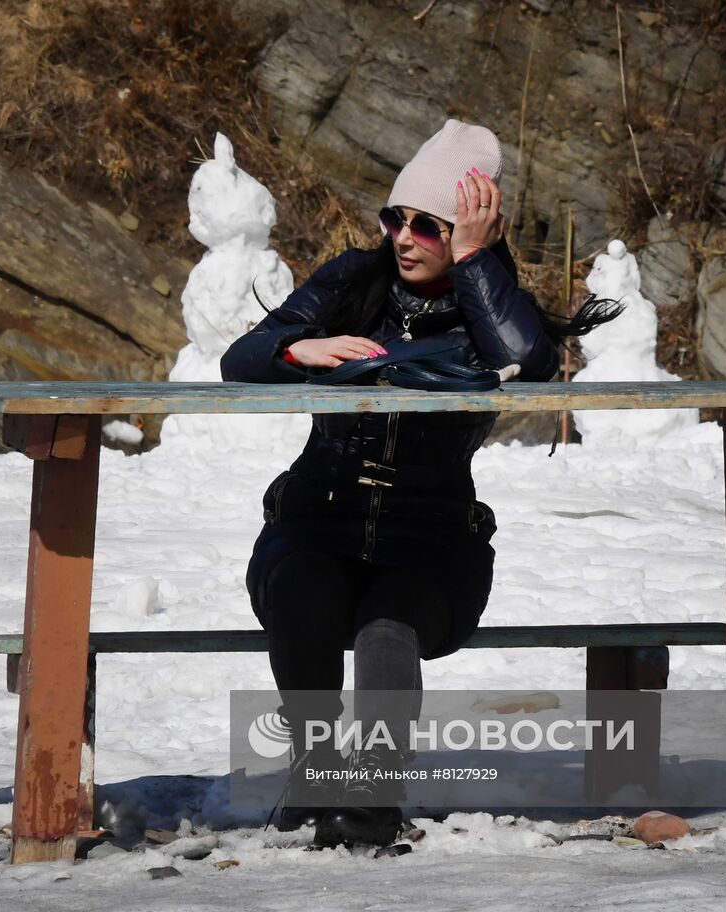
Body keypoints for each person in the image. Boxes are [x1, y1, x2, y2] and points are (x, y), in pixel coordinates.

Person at [219, 120, 621, 848]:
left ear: (468, 235)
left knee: (386, 627)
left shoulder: (489, 308)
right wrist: (294, 345)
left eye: (427, 225)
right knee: (303, 588)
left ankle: (373, 797)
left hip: (430, 543)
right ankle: (315, 776)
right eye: (394, 218)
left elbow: (527, 363)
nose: (403, 237)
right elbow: (238, 359)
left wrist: (472, 263)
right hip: (318, 519)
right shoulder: (352, 280)